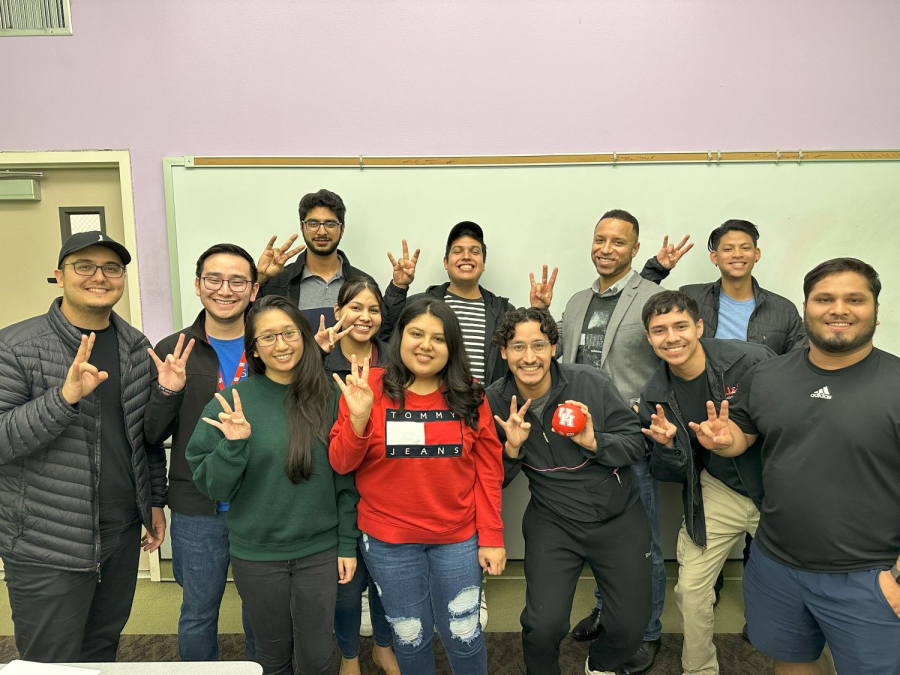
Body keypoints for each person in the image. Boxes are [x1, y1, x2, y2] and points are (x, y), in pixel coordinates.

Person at [691, 258, 900, 675]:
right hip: (775, 564)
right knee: (793, 662)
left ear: (877, 311)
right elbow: (744, 435)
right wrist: (724, 439)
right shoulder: (767, 375)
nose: (838, 309)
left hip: (868, 574)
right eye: (824, 299)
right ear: (806, 308)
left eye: (853, 299)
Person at [0, 231, 166, 662]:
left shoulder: (135, 347)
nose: (100, 276)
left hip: (120, 532)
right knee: (50, 661)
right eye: (85, 266)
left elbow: (141, 438)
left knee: (101, 648)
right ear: (59, 276)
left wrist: (153, 501)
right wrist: (62, 399)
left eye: (112, 268)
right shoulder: (15, 346)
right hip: (46, 539)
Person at [329, 297, 505, 675]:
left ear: (452, 347)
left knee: (465, 634)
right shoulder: (367, 386)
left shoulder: (471, 393)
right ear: (399, 338)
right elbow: (341, 462)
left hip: (457, 539)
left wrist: (492, 535)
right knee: (410, 636)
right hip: (389, 543)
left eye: (438, 338)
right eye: (417, 334)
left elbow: (488, 471)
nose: (426, 345)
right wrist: (358, 421)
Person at [186, 295, 359, 675]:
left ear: (305, 337)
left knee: (316, 655)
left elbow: (346, 480)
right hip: (257, 555)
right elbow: (213, 486)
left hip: (320, 551)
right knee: (271, 655)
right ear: (254, 351)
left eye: (289, 333)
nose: (281, 345)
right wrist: (233, 447)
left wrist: (347, 544)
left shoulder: (331, 396)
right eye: (268, 338)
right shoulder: (231, 402)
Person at [486, 307, 651, 675]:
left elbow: (636, 445)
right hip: (553, 522)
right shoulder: (494, 401)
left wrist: (595, 442)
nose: (529, 357)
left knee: (630, 627)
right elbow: (490, 480)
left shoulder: (590, 383)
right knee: (542, 627)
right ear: (503, 352)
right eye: (517, 347)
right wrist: (510, 450)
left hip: (618, 517)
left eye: (538, 345)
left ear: (554, 347)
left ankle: (602, 665)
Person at [543, 209, 669, 674]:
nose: (606, 249)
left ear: (636, 250)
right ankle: (607, 609)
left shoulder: (654, 298)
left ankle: (648, 630)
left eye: (619, 242)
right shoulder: (576, 301)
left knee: (641, 543)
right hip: (578, 440)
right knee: (598, 535)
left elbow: (673, 359)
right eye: (600, 239)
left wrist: (650, 411)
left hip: (625, 438)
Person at [638, 290, 774, 675]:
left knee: (805, 584)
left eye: (681, 325)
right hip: (718, 489)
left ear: (698, 326)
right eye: (659, 330)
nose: (672, 337)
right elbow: (668, 473)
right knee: (691, 589)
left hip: (777, 488)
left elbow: (793, 417)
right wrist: (665, 447)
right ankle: (699, 669)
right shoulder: (654, 396)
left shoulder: (749, 360)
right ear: (649, 338)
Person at [144, 243, 260, 661]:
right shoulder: (174, 348)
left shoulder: (271, 345)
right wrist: (165, 391)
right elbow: (151, 434)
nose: (224, 289)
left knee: (261, 611)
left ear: (253, 289)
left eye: (237, 281)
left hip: (260, 503)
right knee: (198, 611)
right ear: (197, 285)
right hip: (197, 505)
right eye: (213, 279)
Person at [324, 278, 400, 675]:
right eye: (355, 307)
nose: (364, 317)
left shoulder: (397, 363)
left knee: (387, 581)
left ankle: (383, 647)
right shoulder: (317, 360)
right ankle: (350, 655)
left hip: (384, 486)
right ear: (337, 312)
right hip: (333, 486)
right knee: (347, 589)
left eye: (373, 309)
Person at [254, 188, 418, 335]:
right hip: (295, 369)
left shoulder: (361, 281)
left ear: (342, 228)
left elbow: (381, 332)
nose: (322, 231)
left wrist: (399, 286)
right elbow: (248, 323)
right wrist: (260, 277)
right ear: (302, 226)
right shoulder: (278, 280)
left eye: (330, 224)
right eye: (313, 223)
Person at [642, 219, 805, 354]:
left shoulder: (784, 310)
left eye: (745, 248)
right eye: (728, 249)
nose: (737, 254)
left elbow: (795, 361)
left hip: (760, 391)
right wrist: (658, 268)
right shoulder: (690, 296)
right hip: (701, 390)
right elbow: (633, 305)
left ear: (756, 254)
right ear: (714, 257)